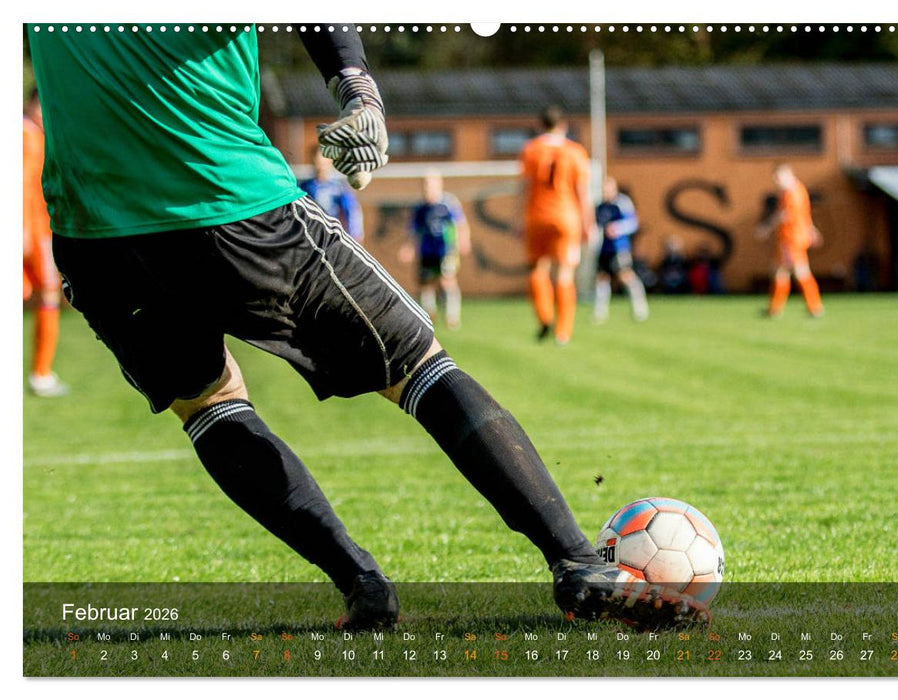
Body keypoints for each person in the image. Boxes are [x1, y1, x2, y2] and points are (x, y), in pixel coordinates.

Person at [29, 25, 701, 631]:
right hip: (226, 200)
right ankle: (576, 562)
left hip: (96, 239)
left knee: (208, 405)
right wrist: (359, 92)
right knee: (420, 365)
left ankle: (361, 583)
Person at [518, 106, 595, 345]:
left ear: (540, 125)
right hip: (566, 217)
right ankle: (563, 331)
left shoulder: (531, 150)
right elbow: (582, 192)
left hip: (537, 217)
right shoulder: (575, 151)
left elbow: (524, 188)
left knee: (537, 269)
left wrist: (518, 218)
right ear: (563, 126)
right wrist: (588, 222)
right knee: (565, 272)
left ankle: (544, 317)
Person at [22, 88, 68, 398]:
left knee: (47, 295)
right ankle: (40, 374)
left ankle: (41, 373)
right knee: (44, 294)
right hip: (29, 232)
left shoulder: (38, 136)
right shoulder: (25, 135)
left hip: (40, 229)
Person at [398, 171, 470, 330]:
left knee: (447, 280)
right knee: (425, 283)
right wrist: (407, 248)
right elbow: (413, 231)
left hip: (446, 250)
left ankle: (452, 317)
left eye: (430, 184)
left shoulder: (448, 204)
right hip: (426, 250)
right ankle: (429, 314)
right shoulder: (420, 208)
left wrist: (464, 240)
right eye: (425, 185)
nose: (427, 188)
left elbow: (460, 224)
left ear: (439, 185)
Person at [756, 163, 824, 317]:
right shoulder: (797, 190)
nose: (778, 181)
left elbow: (785, 215)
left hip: (792, 239)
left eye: (779, 177)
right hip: (792, 237)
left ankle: (814, 306)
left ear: (788, 174)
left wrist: (766, 228)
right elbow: (804, 214)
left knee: (800, 272)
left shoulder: (793, 193)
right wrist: (811, 229)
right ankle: (775, 308)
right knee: (781, 272)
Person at [593, 176, 648, 323]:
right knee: (602, 278)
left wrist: (617, 228)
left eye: (608, 189)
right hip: (604, 249)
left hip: (619, 247)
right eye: (603, 189)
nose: (605, 192)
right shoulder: (600, 206)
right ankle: (600, 313)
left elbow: (633, 222)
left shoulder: (622, 203)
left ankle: (640, 308)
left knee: (625, 276)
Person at [299, 147, 365, 243]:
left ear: (330, 162)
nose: (320, 165)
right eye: (317, 161)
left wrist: (355, 235)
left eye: (323, 162)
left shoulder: (339, 187)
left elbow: (351, 210)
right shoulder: (305, 187)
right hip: (311, 237)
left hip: (332, 237)